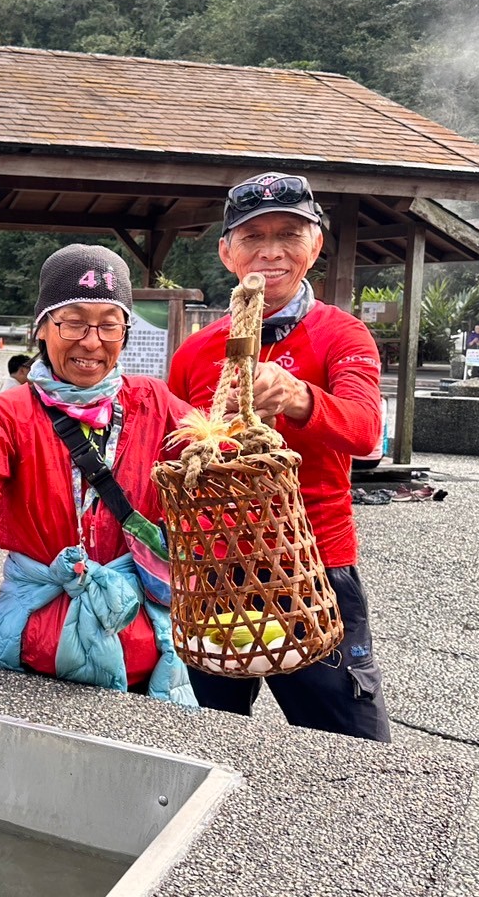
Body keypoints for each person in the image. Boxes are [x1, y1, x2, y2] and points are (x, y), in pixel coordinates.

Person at [167, 172, 390, 742]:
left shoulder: (343, 336)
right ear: (225, 251)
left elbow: (366, 433)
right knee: (211, 736)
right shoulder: (196, 352)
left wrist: (298, 397)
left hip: (313, 566)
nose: (271, 252)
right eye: (252, 236)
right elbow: (174, 455)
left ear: (316, 244)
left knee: (348, 745)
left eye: (290, 233)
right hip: (213, 569)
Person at [0, 244, 197, 706]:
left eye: (109, 324)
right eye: (72, 322)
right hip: (36, 646)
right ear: (42, 328)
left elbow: (218, 473)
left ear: (125, 331)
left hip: (143, 647)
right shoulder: (6, 414)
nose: (91, 341)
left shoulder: (155, 402)